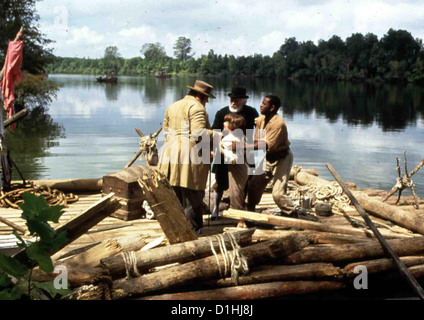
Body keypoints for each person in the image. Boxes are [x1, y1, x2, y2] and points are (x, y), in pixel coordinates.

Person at [158, 80, 216, 234]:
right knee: (193, 195)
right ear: (200, 96)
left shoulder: (172, 106)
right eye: (206, 98)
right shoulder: (197, 107)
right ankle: (194, 232)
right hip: (189, 155)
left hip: (169, 152)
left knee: (175, 194)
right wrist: (216, 134)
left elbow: (166, 130)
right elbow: (198, 134)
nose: (207, 101)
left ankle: (175, 228)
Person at [246, 95, 298, 216]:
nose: (261, 105)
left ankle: (291, 213)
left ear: (272, 107)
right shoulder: (261, 120)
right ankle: (250, 214)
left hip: (282, 158)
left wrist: (241, 146)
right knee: (253, 186)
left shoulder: (278, 124)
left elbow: (263, 145)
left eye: (264, 104)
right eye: (261, 102)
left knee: (278, 194)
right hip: (267, 158)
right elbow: (257, 139)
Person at [211, 87, 259, 214]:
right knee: (220, 181)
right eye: (232, 99)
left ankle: (243, 207)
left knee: (247, 179)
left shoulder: (251, 113)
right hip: (223, 150)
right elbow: (214, 133)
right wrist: (213, 149)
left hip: (245, 151)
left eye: (237, 100)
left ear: (244, 101)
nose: (233, 102)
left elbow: (260, 129)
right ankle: (216, 207)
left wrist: (252, 143)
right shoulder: (221, 113)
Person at [211, 113, 246, 220]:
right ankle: (216, 209)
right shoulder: (237, 135)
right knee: (220, 184)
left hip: (232, 164)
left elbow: (226, 152)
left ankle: (238, 216)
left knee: (235, 190)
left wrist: (217, 146)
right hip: (224, 162)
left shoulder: (231, 138)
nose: (223, 123)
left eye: (226, 122)